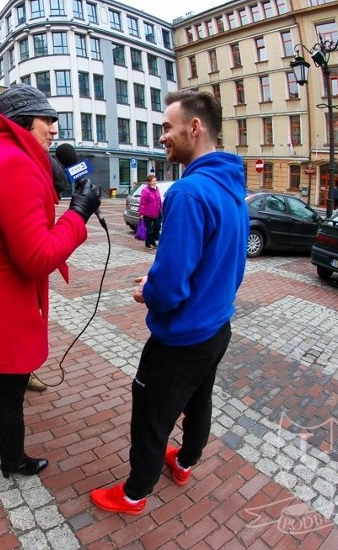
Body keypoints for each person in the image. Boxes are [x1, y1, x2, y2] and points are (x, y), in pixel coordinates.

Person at [90, 90, 248, 515]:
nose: (162, 137)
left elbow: (172, 284)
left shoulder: (189, 192)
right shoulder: (232, 186)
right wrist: (164, 279)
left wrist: (149, 291)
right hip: (217, 326)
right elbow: (220, 263)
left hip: (181, 338)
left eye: (166, 127)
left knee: (149, 412)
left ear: (193, 128)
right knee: (199, 398)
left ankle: (134, 493)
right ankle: (186, 461)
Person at [0, 83, 101, 478]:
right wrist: (79, 213)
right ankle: (12, 460)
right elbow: (36, 258)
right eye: (46, 120)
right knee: (9, 390)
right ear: (21, 122)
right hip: (0, 303)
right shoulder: (14, 166)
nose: (54, 129)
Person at [138, 174, 162, 249]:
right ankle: (148, 243)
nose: (155, 182)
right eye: (153, 181)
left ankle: (153, 241)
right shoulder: (145, 191)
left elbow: (159, 200)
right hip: (148, 213)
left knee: (157, 227)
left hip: (157, 212)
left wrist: (161, 208)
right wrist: (141, 213)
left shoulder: (156, 189)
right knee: (149, 229)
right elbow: (142, 203)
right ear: (149, 182)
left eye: (155, 181)